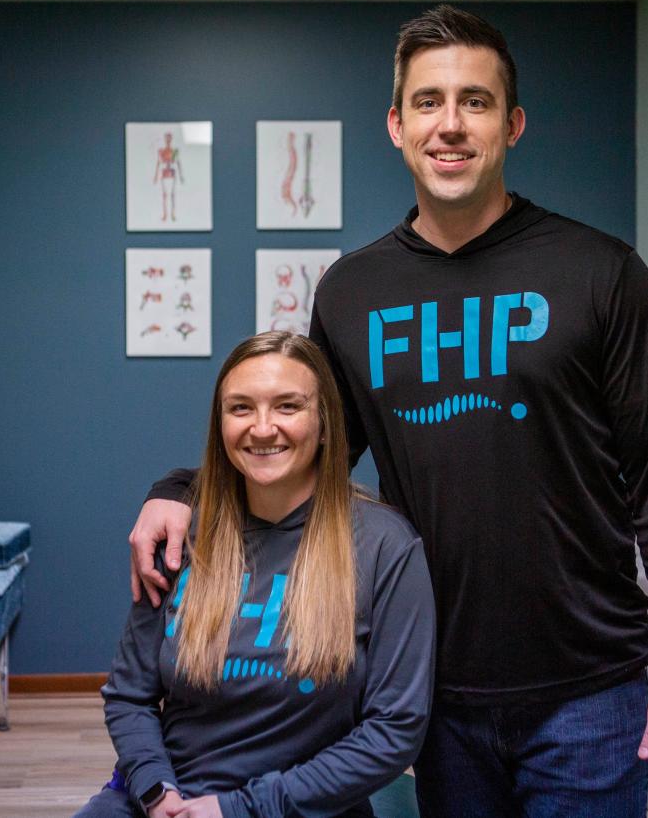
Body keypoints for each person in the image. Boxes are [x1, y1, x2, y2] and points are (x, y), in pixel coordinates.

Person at [129, 4, 648, 817]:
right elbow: (308, 451)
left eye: (475, 102)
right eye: (428, 102)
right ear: (396, 125)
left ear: (512, 125)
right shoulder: (353, 290)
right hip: (433, 682)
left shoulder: (600, 272)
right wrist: (180, 487)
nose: (450, 124)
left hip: (588, 687)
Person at [81, 332, 434, 818]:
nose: (262, 428)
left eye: (288, 406)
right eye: (241, 408)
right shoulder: (181, 534)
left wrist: (236, 809)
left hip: (299, 806)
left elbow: (394, 729)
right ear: (219, 425)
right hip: (164, 800)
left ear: (326, 424)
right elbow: (129, 696)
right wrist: (158, 792)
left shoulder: (384, 545)